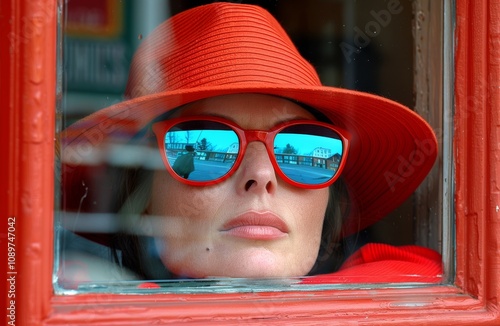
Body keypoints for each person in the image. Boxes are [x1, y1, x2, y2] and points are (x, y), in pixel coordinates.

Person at [60, 2, 442, 284]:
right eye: (206, 143)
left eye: (306, 151)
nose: (261, 176)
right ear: (140, 198)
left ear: (328, 214)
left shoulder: (416, 287)